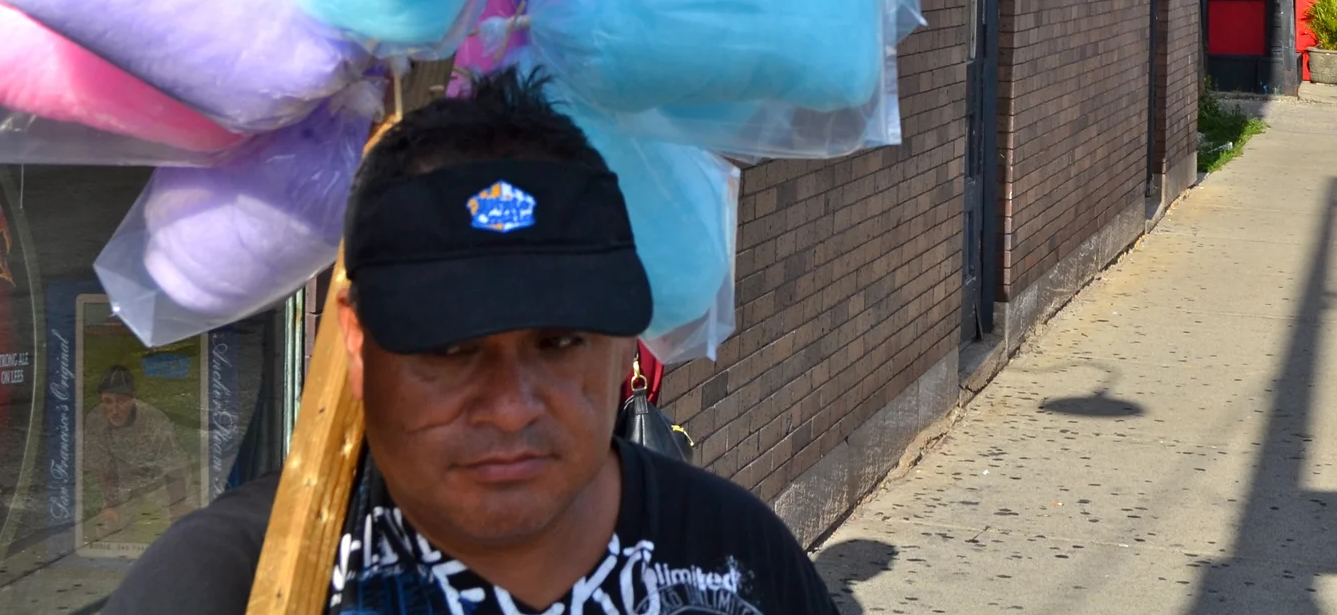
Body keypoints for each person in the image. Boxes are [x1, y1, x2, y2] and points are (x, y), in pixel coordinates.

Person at [106, 71, 836, 615]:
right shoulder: (223, 580)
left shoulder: (735, 562)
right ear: (356, 344)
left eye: (558, 341)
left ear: (623, 346)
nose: (512, 407)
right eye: (451, 348)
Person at [84, 364, 193, 546]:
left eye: (121, 401)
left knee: (184, 530)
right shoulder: (95, 420)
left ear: (134, 397)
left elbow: (174, 468)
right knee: (108, 530)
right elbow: (104, 467)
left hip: (162, 479)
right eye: (108, 401)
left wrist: (177, 506)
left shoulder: (155, 420)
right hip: (124, 479)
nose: (115, 409)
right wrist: (111, 505)